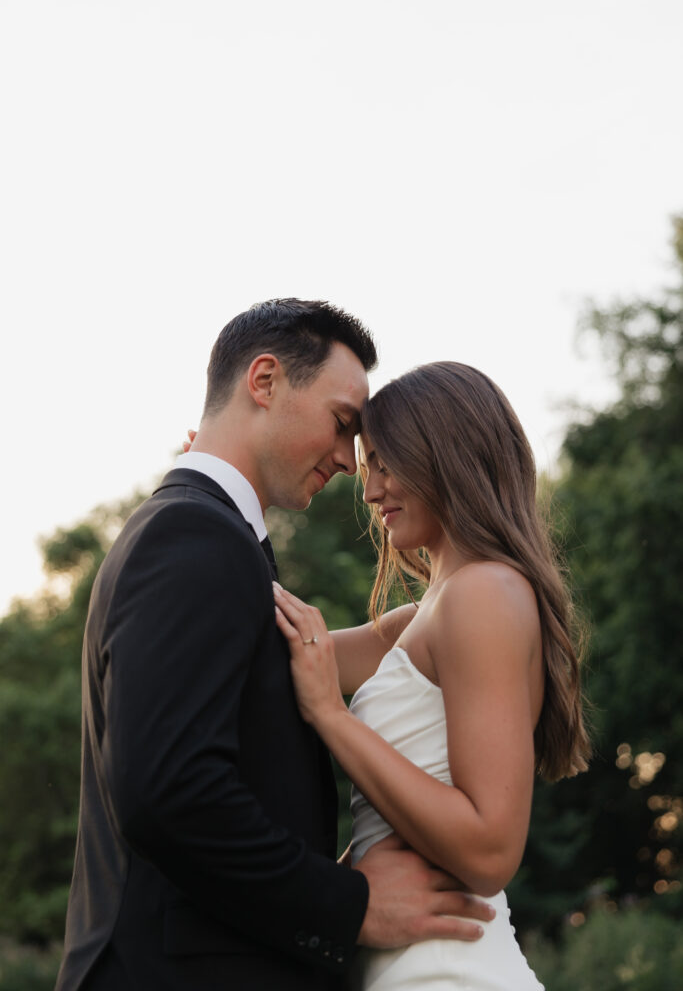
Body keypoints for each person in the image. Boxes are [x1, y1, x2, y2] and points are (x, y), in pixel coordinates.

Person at [56, 303, 493, 991]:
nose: (352, 463)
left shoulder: (208, 538)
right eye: (343, 423)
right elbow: (168, 791)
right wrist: (351, 906)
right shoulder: (193, 538)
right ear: (264, 381)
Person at [273, 361, 592, 991]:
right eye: (368, 468)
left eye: (387, 465)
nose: (370, 491)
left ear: (446, 457)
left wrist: (332, 719)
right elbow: (281, 657)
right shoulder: (418, 619)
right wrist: (221, 501)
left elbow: (489, 850)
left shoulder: (486, 594)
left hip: (450, 972)